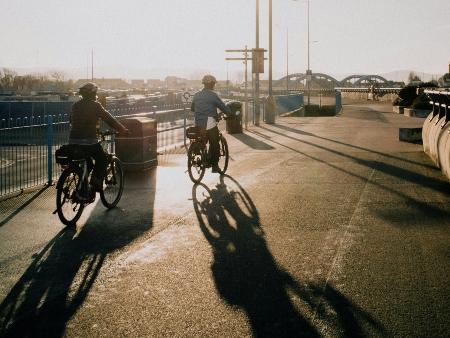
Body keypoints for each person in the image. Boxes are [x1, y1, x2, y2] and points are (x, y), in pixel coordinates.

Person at [69, 82, 128, 191]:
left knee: (89, 164)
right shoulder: (96, 105)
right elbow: (109, 119)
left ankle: (81, 188)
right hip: (88, 141)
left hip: (73, 141)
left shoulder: (74, 106)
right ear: (94, 93)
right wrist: (122, 129)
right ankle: (95, 182)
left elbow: (72, 121)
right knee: (102, 158)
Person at [191, 75, 231, 173]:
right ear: (212, 84)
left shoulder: (196, 94)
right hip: (208, 122)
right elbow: (222, 106)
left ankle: (199, 153)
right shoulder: (213, 95)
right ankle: (215, 165)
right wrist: (230, 114)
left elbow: (192, 108)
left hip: (198, 122)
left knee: (201, 139)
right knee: (215, 143)